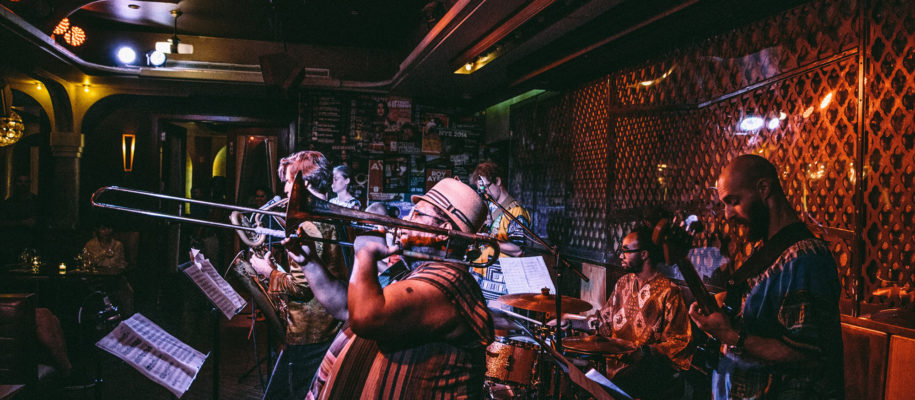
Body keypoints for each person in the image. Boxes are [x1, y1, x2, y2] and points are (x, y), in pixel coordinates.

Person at [293, 178, 493, 399]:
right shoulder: (409, 270)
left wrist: (365, 255)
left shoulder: (450, 282)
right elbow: (347, 309)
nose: (406, 220)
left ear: (442, 231)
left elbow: (365, 317)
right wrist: (308, 262)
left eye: (417, 214)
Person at [688, 154, 844, 399]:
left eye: (733, 201)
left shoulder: (805, 258)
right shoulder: (769, 249)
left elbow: (808, 355)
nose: (727, 215)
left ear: (763, 188)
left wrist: (731, 336)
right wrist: (727, 303)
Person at [247, 150, 346, 400]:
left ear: (306, 183)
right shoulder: (333, 216)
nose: (284, 189)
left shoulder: (307, 225)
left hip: (309, 332)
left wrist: (268, 272)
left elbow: (301, 289)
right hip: (329, 328)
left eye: (289, 182)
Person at [577, 226, 693, 399]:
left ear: (644, 254)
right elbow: (603, 322)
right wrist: (571, 322)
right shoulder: (623, 283)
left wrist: (645, 352)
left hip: (646, 375)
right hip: (614, 368)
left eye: (626, 251)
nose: (621, 256)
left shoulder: (669, 292)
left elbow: (680, 341)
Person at [468, 161, 532, 300]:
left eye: (486, 187)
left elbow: (518, 250)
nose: (484, 193)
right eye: (481, 190)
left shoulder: (515, 212)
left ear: (497, 181)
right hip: (482, 280)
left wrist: (488, 240)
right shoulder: (491, 208)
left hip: (500, 286)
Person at [0, 174, 40, 263]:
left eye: (26, 182)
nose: (23, 185)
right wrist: (21, 222)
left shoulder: (37, 202)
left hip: (33, 240)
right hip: (13, 241)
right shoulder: (9, 203)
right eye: (20, 182)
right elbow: (3, 222)